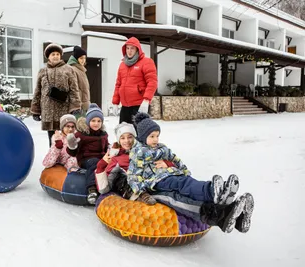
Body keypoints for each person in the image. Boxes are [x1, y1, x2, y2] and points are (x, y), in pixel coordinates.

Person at [96, 122, 254, 233]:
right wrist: (102, 165)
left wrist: (166, 163)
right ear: (117, 139)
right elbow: (106, 186)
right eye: (122, 138)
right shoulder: (115, 158)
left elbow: (170, 160)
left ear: (137, 137)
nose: (127, 141)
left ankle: (234, 213)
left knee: (183, 185)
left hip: (162, 177)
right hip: (146, 189)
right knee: (175, 198)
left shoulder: (146, 149)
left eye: (130, 136)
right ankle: (220, 216)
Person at [30, 43, 81, 147]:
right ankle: (53, 159)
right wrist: (35, 110)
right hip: (48, 111)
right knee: (52, 140)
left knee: (66, 138)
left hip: (64, 109)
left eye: (58, 54)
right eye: (53, 54)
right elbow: (38, 91)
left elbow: (74, 90)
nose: (55, 56)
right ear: (48, 56)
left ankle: (67, 159)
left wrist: (75, 106)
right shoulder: (42, 71)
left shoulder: (68, 69)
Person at [66, 103, 108, 204]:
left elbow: (106, 148)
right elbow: (73, 153)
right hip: (86, 159)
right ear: (88, 121)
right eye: (93, 121)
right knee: (95, 163)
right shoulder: (81, 134)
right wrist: (72, 145)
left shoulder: (104, 135)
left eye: (99, 121)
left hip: (101, 158)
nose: (96, 123)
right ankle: (92, 189)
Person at [112, 37, 157, 124]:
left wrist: (146, 100)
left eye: (132, 48)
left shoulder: (146, 62)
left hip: (139, 106)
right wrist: (115, 102)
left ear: (138, 49)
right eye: (127, 48)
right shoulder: (123, 65)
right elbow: (118, 84)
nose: (129, 51)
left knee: (140, 134)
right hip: (125, 107)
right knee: (124, 134)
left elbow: (152, 82)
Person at [67, 46, 90, 113]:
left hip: (84, 105)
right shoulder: (73, 70)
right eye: (81, 58)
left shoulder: (81, 70)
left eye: (84, 58)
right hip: (78, 107)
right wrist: (75, 107)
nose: (83, 60)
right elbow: (73, 90)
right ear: (76, 59)